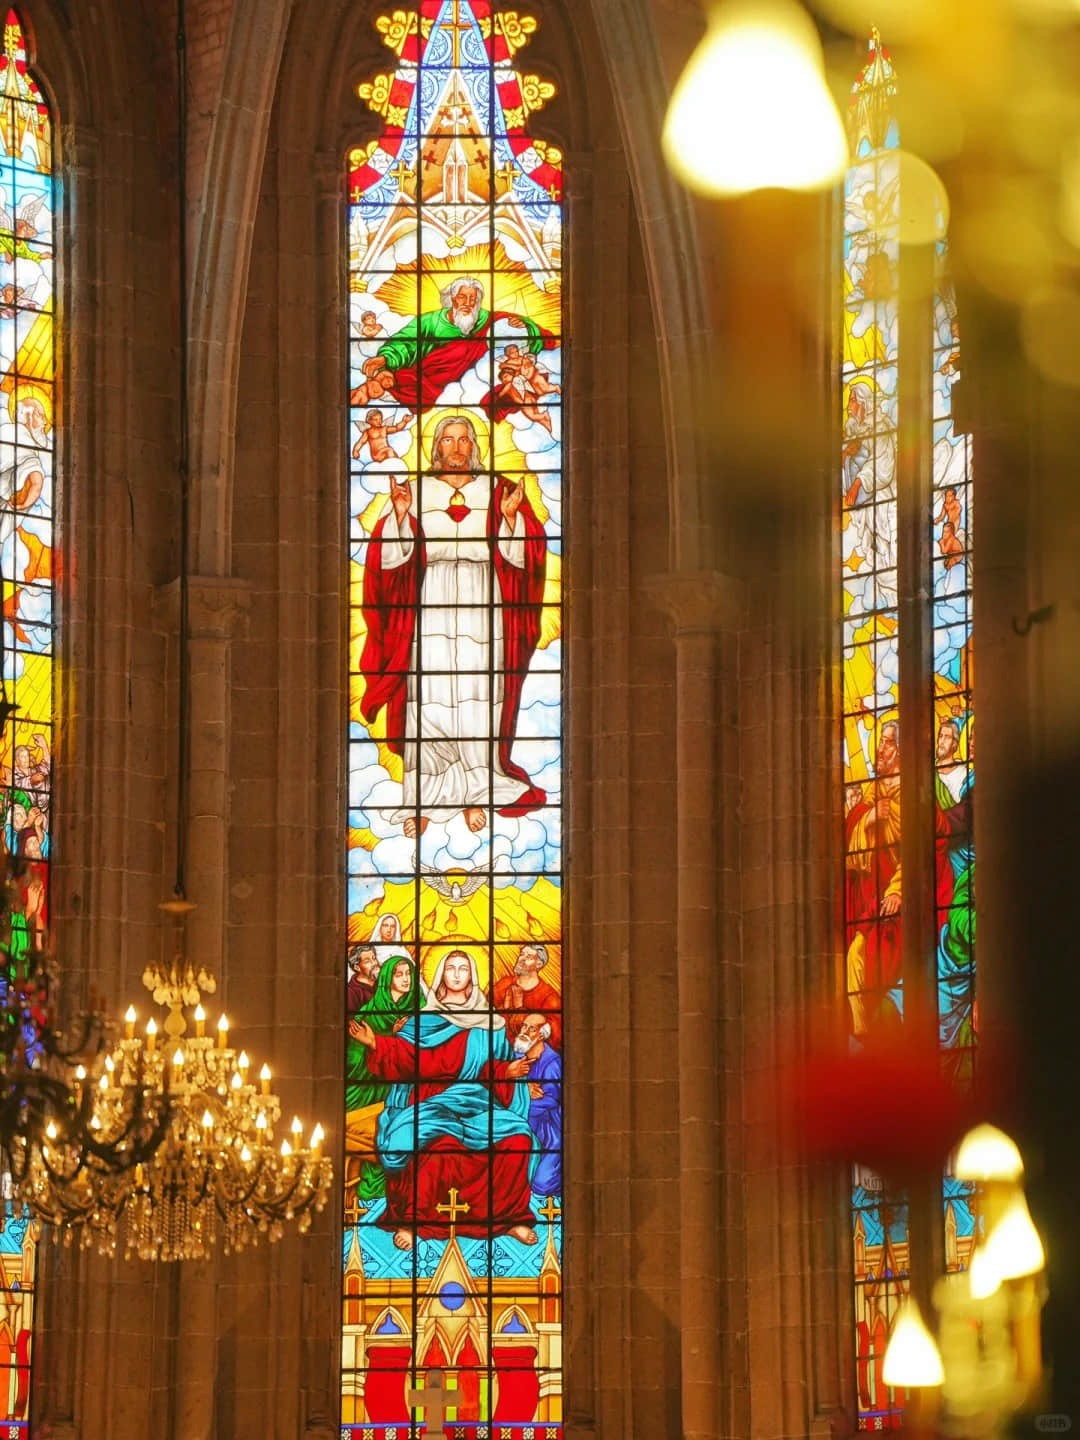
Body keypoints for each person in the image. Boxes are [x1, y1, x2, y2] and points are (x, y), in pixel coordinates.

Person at [359, 414, 547, 837]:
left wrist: (511, 519)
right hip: (432, 598)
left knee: (479, 694)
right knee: (429, 696)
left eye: (464, 440)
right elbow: (387, 560)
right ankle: (425, 797)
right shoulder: (416, 491)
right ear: (436, 447)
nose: (457, 447)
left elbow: (529, 554)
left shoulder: (499, 490)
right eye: (448, 440)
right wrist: (402, 516)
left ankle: (477, 790)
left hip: (484, 598)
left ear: (475, 446)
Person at [351, 949, 539, 1249]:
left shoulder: (491, 1024)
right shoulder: (423, 1021)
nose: (455, 973)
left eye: (463, 968)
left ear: (472, 977)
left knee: (517, 1140)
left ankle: (507, 1218)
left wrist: (507, 1071)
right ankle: (414, 1221)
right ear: (440, 975)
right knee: (439, 1145)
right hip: (431, 1100)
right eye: (449, 967)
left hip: (477, 1102)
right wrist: (376, 1043)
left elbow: (490, 1067)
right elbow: (411, 1059)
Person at [358, 276, 554, 409]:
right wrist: (385, 359)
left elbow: (532, 331)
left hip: (473, 385)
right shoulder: (431, 321)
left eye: (473, 299)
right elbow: (406, 342)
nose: (468, 303)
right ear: (452, 298)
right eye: (462, 297)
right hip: (430, 383)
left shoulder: (489, 320)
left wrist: (524, 327)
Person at [345, 955, 421, 1202]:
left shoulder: (422, 1011)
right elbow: (354, 1060)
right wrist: (379, 1043)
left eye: (408, 974)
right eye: (399, 974)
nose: (405, 979)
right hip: (371, 1088)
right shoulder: (369, 1014)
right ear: (387, 979)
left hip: (406, 1088)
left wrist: (391, 1041)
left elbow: (427, 1054)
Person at [844, 721, 901, 1035]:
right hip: (869, 898)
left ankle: (868, 1034)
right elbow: (851, 842)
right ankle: (861, 1032)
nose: (880, 748)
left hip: (896, 901)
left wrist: (897, 890)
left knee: (864, 956)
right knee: (855, 955)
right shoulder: (872, 791)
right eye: (880, 741)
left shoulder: (910, 793)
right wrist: (867, 819)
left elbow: (919, 852)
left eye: (888, 743)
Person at [515, 1012, 561, 1196]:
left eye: (531, 1028)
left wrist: (518, 1099)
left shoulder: (552, 1063)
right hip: (522, 1125)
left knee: (541, 1184)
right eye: (524, 1026)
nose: (525, 1031)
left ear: (542, 1034)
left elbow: (549, 1100)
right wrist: (522, 1090)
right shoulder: (517, 1055)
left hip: (548, 1132)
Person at [494, 943, 561, 1049]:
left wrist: (519, 1009)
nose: (521, 959)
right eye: (522, 954)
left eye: (528, 957)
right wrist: (505, 1009)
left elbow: (554, 1039)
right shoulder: (503, 985)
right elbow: (485, 1018)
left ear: (539, 964)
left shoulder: (549, 998)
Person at [347, 944, 380, 1012]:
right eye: (367, 961)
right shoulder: (351, 992)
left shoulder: (383, 982)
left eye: (374, 958)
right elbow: (353, 1021)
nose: (374, 963)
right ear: (357, 967)